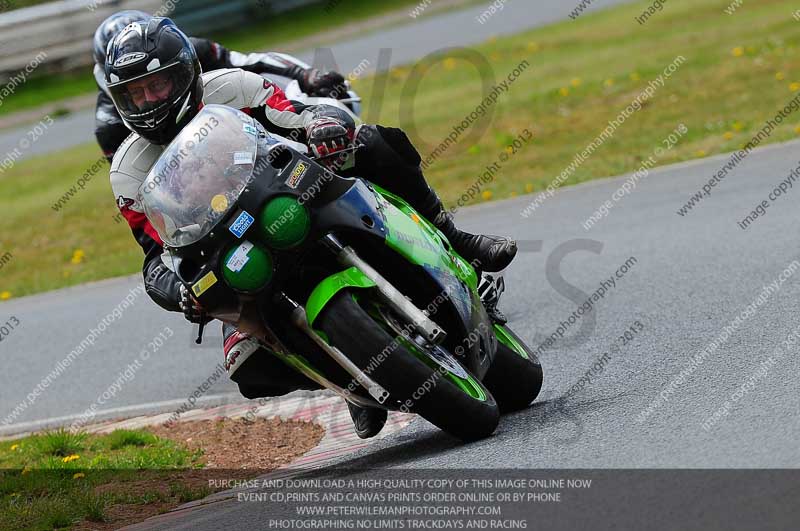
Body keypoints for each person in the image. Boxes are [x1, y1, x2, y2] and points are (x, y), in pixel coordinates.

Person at [106, 18, 517, 439]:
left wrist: (321, 125)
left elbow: (298, 114)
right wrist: (180, 293)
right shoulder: (128, 171)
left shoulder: (230, 87)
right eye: (133, 93)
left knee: (374, 143)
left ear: (183, 73)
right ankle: (348, 385)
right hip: (231, 249)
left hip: (292, 188)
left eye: (156, 85)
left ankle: (455, 239)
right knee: (245, 363)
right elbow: (156, 258)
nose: (148, 100)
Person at [92, 10, 347, 162]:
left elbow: (248, 62)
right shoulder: (109, 127)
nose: (147, 94)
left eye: (157, 81)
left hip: (246, 134)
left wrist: (304, 75)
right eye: (134, 89)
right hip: (198, 180)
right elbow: (144, 189)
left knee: (336, 120)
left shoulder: (190, 53)